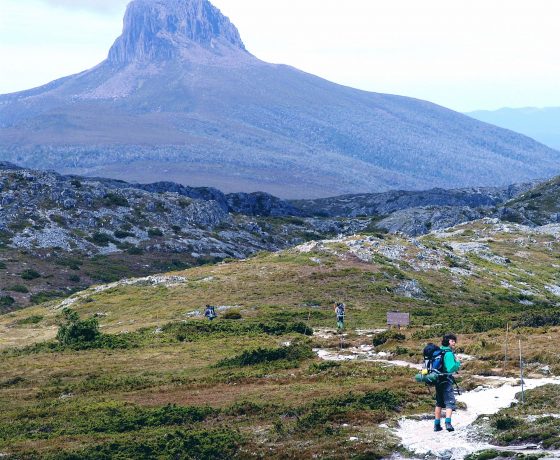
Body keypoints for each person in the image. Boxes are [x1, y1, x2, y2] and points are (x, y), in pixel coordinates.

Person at [434, 333, 461, 432]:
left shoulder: (439, 351)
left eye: (454, 341)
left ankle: (436, 425)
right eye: (452, 341)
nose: (454, 343)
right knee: (450, 402)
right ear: (448, 341)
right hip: (446, 379)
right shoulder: (449, 353)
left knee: (439, 403)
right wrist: (457, 363)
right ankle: (448, 423)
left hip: (437, 379)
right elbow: (450, 368)